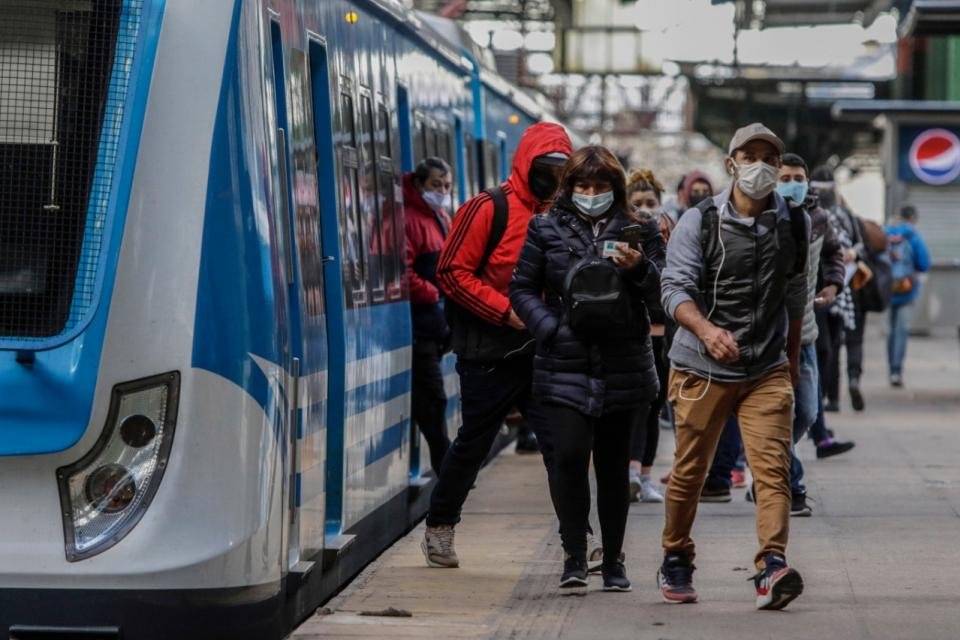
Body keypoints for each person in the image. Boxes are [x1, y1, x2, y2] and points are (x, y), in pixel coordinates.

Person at [658, 123, 806, 610]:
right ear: (731, 163)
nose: (759, 165)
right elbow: (673, 288)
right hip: (702, 369)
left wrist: (791, 362)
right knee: (689, 472)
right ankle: (676, 555)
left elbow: (793, 294)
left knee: (773, 471)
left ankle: (772, 565)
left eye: (768, 156)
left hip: (765, 368)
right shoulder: (698, 221)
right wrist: (706, 331)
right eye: (749, 155)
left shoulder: (794, 222)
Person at [510, 146, 664, 592]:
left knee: (615, 467)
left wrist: (639, 270)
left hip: (624, 363)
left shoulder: (641, 229)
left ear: (615, 189)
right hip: (564, 361)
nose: (591, 193)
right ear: (569, 186)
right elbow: (521, 286)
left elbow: (665, 292)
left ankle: (613, 561)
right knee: (570, 455)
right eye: (583, 185)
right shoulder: (545, 227)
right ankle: (574, 553)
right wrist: (548, 328)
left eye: (600, 186)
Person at [421, 122, 573, 569]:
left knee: (559, 446)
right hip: (489, 352)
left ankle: (577, 541)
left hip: (545, 350)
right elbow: (451, 272)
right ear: (527, 164)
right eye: (547, 168)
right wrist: (505, 310)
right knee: (473, 442)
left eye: (563, 170)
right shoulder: (488, 208)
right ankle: (440, 525)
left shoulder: (564, 216)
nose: (554, 178)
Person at [776, 153, 846, 517]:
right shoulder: (762, 216)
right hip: (768, 336)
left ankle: (769, 472)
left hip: (804, 335)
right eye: (785, 176)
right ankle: (790, 484)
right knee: (774, 416)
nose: (793, 183)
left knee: (805, 410)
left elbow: (835, 254)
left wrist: (833, 284)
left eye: (798, 177)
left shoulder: (819, 218)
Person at [403, 157, 454, 474]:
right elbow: (402, 273)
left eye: (447, 185)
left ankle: (446, 466)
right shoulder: (408, 220)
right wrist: (434, 293)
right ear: (420, 184)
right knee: (432, 399)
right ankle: (446, 467)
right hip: (419, 325)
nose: (442, 191)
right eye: (436, 185)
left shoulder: (441, 217)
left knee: (434, 399)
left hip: (436, 326)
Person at [625, 168, 670, 504]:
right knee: (635, 408)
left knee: (654, 409)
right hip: (636, 335)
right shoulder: (623, 235)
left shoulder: (673, 232)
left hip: (666, 337)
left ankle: (645, 476)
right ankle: (630, 471)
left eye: (650, 202)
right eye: (637, 203)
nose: (644, 208)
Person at [809, 167, 867, 412]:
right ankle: (833, 394)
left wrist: (852, 253)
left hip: (824, 287)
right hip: (841, 289)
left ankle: (823, 395)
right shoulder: (844, 215)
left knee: (824, 346)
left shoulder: (816, 215)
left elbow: (858, 244)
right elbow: (861, 243)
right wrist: (854, 252)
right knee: (835, 344)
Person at [885, 205, 931, 387]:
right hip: (907, 290)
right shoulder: (913, 236)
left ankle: (890, 369)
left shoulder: (885, 233)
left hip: (888, 290)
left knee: (891, 331)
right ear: (913, 218)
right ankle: (896, 371)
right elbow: (924, 263)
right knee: (901, 331)